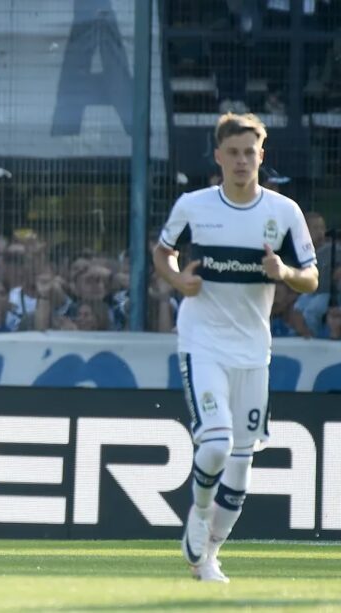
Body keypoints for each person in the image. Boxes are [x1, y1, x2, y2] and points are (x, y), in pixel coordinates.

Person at [153, 112, 318, 583]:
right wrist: (177, 280)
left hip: (253, 350)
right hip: (202, 342)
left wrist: (284, 273)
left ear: (261, 156)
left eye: (250, 152)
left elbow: (311, 277)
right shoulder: (194, 206)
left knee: (241, 466)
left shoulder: (284, 212)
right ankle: (199, 512)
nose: (242, 160)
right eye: (234, 152)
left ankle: (208, 556)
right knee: (216, 444)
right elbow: (163, 251)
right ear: (218, 157)